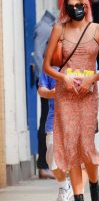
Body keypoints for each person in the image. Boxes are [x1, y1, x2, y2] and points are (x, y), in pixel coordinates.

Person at [43, 0, 99, 201]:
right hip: (65, 94)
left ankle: (95, 186)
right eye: (71, 5)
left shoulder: (98, 30)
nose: (77, 9)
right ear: (65, 7)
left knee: (86, 146)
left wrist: (94, 77)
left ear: (87, 5)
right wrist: (64, 78)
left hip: (88, 94)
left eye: (80, 4)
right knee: (71, 149)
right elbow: (48, 66)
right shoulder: (59, 29)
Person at [33, 10, 56, 179]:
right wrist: (45, 79)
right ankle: (44, 165)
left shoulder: (47, 27)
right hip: (47, 81)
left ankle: (47, 164)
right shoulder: (45, 29)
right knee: (47, 120)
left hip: (48, 79)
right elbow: (39, 57)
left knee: (48, 120)